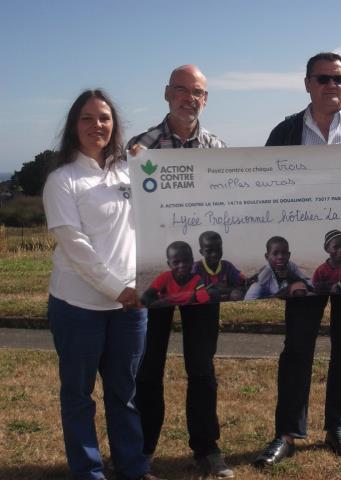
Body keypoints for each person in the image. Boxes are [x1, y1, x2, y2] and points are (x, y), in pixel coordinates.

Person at [254, 52, 341, 467]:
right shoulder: (287, 130)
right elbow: (265, 190)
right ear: (307, 83)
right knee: (298, 347)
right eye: (323, 79)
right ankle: (287, 432)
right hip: (304, 263)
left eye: (339, 79)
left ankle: (337, 428)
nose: (332, 86)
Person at [43, 89, 160, 480]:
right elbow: (76, 247)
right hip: (79, 307)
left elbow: (159, 217)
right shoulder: (62, 180)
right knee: (78, 396)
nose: (98, 126)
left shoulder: (128, 171)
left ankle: (132, 466)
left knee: (124, 393)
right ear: (74, 126)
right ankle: (89, 471)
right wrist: (118, 290)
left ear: (115, 125)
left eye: (105, 118)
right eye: (88, 118)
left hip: (130, 308)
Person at [129, 65, 233, 479]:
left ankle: (207, 448)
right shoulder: (141, 149)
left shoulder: (219, 150)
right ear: (166, 94)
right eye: (181, 90)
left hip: (203, 278)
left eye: (198, 92)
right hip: (155, 274)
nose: (189, 98)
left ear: (205, 99)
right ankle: (141, 450)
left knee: (202, 367)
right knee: (148, 366)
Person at [141, 241, 210, 308]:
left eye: (186, 261)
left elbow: (204, 298)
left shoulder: (197, 279)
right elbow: (146, 296)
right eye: (176, 262)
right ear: (169, 264)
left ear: (192, 261)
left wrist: (168, 300)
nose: (182, 265)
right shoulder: (165, 277)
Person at [244, 236, 312, 300]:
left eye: (284, 253)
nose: (280, 257)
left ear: (289, 255)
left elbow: (310, 285)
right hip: (270, 305)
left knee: (300, 289)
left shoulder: (291, 266)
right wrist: (280, 295)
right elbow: (249, 299)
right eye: (275, 254)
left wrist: (292, 276)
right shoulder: (264, 274)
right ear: (267, 257)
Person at [193, 231, 245, 302]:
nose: (214, 254)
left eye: (218, 249)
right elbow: (192, 293)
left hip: (227, 305)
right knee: (211, 293)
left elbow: (241, 284)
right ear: (201, 252)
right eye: (209, 251)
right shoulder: (196, 268)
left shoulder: (227, 266)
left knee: (236, 294)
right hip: (205, 307)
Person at [311, 229, 341, 294]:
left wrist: (340, 284)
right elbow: (314, 287)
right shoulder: (321, 270)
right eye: (336, 247)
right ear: (327, 249)